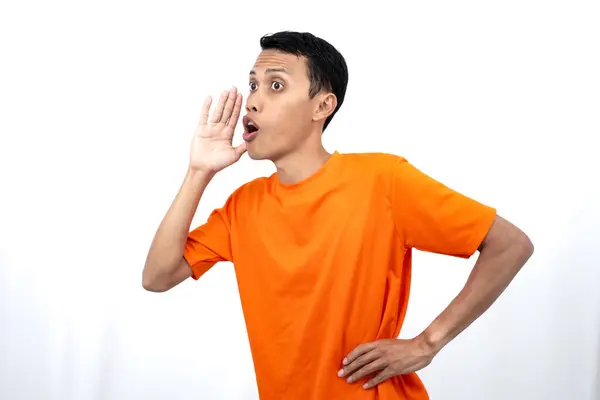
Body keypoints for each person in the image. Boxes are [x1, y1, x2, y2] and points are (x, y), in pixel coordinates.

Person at [142, 31, 534, 399]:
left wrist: (427, 343)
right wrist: (198, 172)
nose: (254, 101)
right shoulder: (243, 206)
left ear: (323, 105)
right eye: (254, 85)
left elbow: (510, 245)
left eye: (276, 85)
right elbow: (158, 277)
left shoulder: (383, 181)